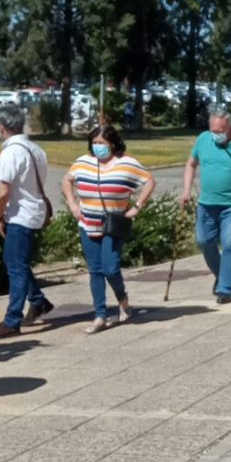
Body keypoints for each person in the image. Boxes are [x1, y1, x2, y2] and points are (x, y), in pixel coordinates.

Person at [61, 125, 155, 333]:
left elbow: (149, 181)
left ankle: (123, 299)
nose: (98, 147)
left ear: (112, 143)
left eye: (101, 143)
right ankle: (100, 315)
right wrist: (72, 204)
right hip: (87, 223)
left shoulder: (126, 163)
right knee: (95, 270)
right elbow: (67, 180)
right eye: (94, 143)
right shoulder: (83, 162)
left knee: (110, 268)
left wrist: (137, 207)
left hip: (113, 225)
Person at [0, 105, 54, 339]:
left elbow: (3, 190)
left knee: (16, 267)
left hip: (20, 215)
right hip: (34, 212)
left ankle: (12, 320)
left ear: (1, 126)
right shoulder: (36, 149)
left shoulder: (11, 152)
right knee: (16, 262)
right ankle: (38, 301)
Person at [181, 108, 231, 304]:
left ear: (229, 127)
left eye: (220, 131)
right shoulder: (203, 139)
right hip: (206, 203)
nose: (216, 134)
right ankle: (221, 274)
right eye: (213, 130)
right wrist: (186, 190)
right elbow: (191, 164)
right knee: (204, 241)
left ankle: (225, 288)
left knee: (230, 243)